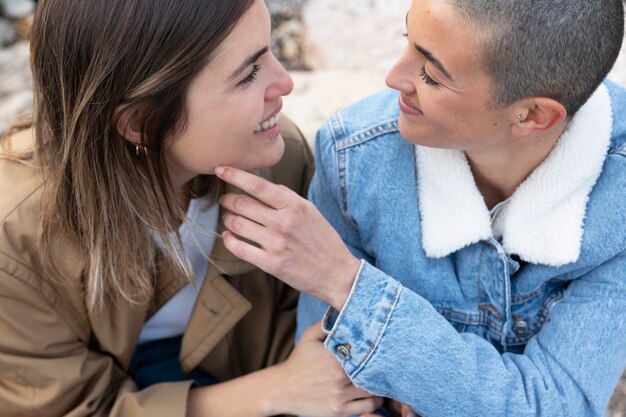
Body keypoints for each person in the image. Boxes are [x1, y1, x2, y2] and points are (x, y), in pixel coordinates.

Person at [215, 0, 626, 415]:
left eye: (431, 74)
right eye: (407, 40)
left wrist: (346, 283)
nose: (393, 77)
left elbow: (552, 407)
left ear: (534, 115)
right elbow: (332, 387)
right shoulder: (353, 157)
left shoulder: (619, 203)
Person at [0, 0, 384, 416]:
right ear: (141, 122)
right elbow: (63, 408)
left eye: (270, 48)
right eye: (249, 74)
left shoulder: (277, 158)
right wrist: (276, 391)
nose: (286, 82)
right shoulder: (14, 238)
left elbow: (298, 330)